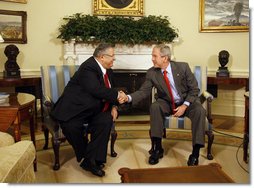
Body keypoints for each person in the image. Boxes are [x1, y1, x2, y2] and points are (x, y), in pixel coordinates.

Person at [119, 44, 206, 166]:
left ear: (165, 58)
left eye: (155, 56)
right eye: (152, 56)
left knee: (200, 111)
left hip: (186, 101)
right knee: (155, 107)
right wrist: (128, 97)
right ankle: (157, 148)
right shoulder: (152, 73)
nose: (152, 59)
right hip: (166, 102)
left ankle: (195, 153)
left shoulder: (183, 67)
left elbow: (194, 90)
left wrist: (184, 106)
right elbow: (143, 91)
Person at [50, 43, 127, 177]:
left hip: (94, 108)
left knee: (105, 120)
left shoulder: (108, 70)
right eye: (112, 56)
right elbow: (96, 89)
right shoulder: (88, 67)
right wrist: (117, 96)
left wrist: (114, 106)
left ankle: (93, 159)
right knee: (71, 127)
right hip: (75, 108)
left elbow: (111, 89)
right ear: (102, 57)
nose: (114, 59)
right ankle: (89, 158)